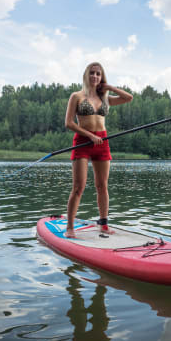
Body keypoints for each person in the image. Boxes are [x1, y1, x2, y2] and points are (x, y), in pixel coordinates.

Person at [64, 62, 133, 238]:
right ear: (86, 75)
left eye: (98, 74)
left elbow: (128, 98)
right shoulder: (76, 96)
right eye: (92, 73)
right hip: (82, 142)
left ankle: (103, 224)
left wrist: (109, 87)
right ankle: (70, 227)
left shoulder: (105, 98)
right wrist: (89, 135)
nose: (95, 76)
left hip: (102, 142)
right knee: (78, 187)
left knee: (102, 186)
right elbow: (69, 123)